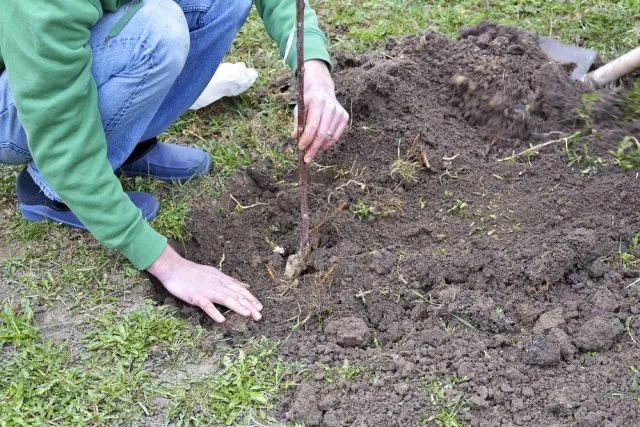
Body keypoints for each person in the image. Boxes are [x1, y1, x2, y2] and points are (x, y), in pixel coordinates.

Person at [0, 0, 349, 323]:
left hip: (54, 49)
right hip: (20, 91)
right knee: (158, 32)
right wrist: (168, 265)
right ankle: (49, 188)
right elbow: (61, 137)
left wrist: (313, 71)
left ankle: (125, 142)